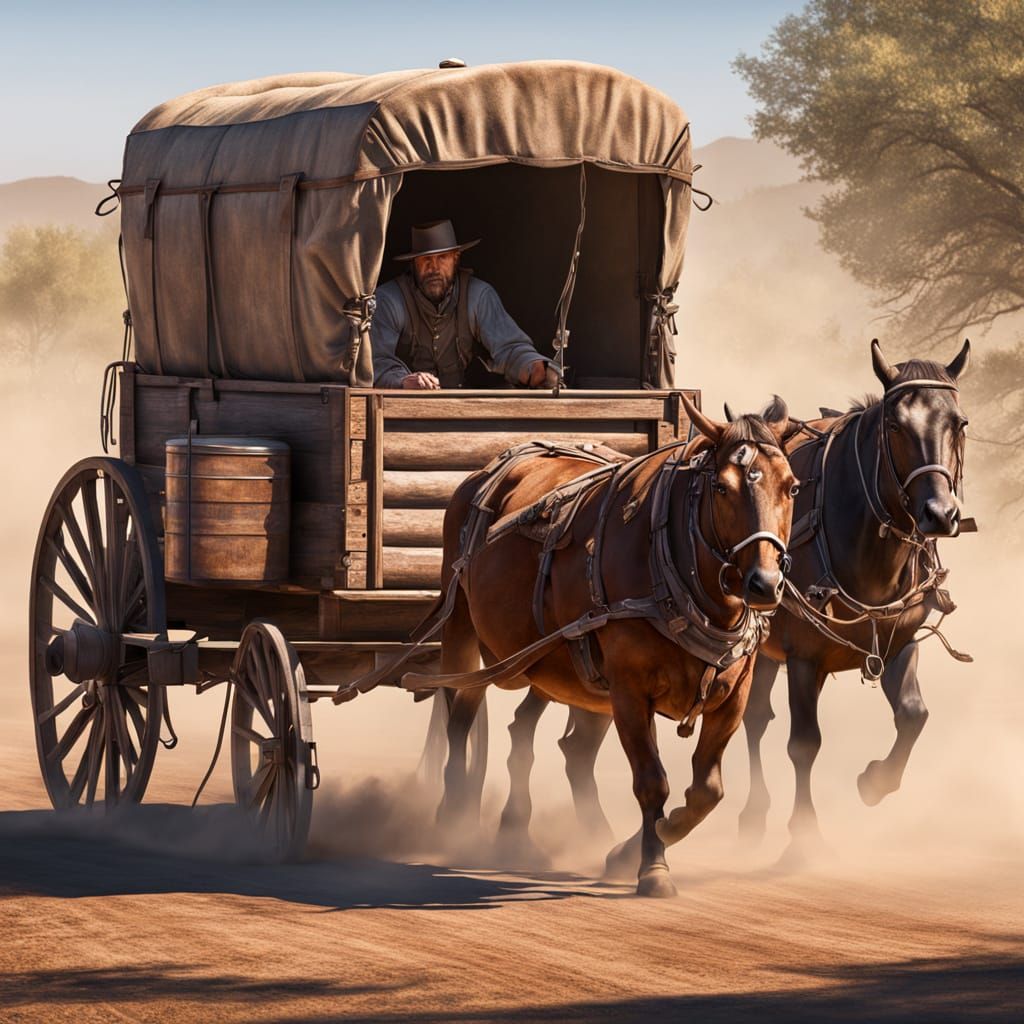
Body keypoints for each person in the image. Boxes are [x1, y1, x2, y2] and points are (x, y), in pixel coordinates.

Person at [371, 220, 557, 390]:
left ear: (456, 258)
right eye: (425, 259)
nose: (434, 268)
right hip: (402, 407)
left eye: (442, 257)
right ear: (413, 263)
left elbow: (509, 348)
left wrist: (535, 368)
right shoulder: (390, 300)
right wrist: (402, 380)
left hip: (462, 405)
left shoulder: (477, 296)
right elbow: (375, 361)